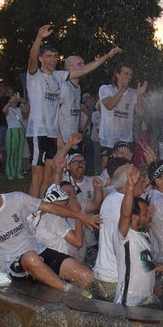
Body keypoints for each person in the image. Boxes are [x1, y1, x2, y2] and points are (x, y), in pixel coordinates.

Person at [26, 24, 121, 198]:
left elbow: (84, 69)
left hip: (52, 134)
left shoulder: (58, 76)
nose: (53, 60)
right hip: (38, 132)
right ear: (41, 59)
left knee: (49, 176)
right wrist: (39, 38)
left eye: (55, 57)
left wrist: (106, 56)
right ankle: (32, 213)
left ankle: (43, 210)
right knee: (38, 178)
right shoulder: (35, 77)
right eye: (48, 57)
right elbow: (31, 61)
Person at [0, 177, 101, 291]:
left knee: (86, 276)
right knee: (31, 257)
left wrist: (80, 216)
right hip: (16, 263)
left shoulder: (17, 198)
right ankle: (68, 291)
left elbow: (51, 207)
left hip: (40, 251)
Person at [116, 167, 163, 306]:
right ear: (134, 217)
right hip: (128, 304)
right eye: (145, 214)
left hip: (145, 302)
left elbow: (144, 261)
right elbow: (125, 215)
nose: (149, 216)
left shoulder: (144, 237)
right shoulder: (125, 237)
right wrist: (130, 187)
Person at [98, 63, 146, 175]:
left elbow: (140, 111)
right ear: (117, 74)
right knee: (107, 172)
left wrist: (139, 96)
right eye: (125, 73)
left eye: (130, 74)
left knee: (126, 171)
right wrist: (122, 90)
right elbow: (109, 105)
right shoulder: (106, 89)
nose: (128, 77)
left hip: (126, 139)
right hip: (109, 138)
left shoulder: (133, 92)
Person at [93, 166, 132, 299]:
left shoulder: (110, 198)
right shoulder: (125, 207)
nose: (144, 180)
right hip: (115, 277)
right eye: (139, 177)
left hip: (103, 271)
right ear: (130, 183)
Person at [31, 182, 84, 259]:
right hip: (59, 264)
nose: (68, 205)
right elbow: (78, 242)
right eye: (66, 203)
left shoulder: (38, 215)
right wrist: (77, 214)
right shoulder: (54, 219)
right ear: (55, 203)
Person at [3, 93, 28, 179]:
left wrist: (22, 102)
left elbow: (26, 113)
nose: (14, 101)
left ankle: (18, 172)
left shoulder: (19, 109)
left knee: (19, 153)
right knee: (11, 153)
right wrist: (10, 103)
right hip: (11, 131)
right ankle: (10, 172)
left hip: (20, 130)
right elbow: (4, 111)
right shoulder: (9, 109)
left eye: (15, 100)